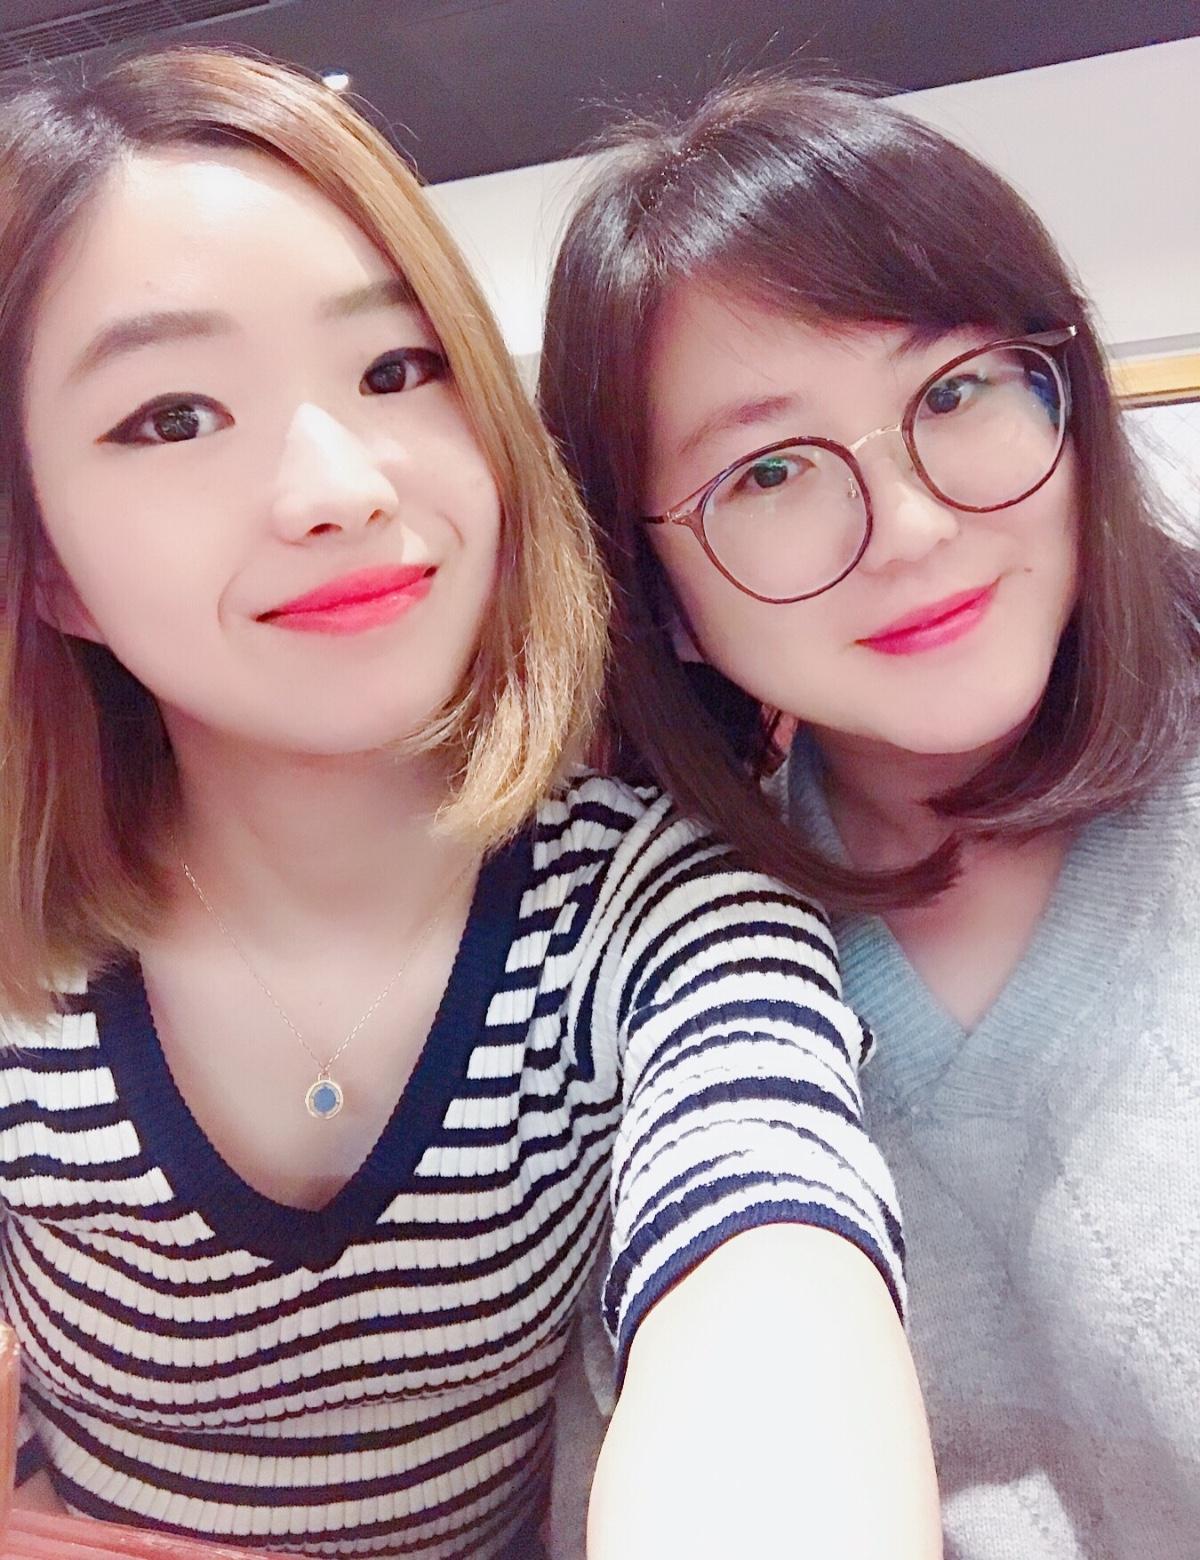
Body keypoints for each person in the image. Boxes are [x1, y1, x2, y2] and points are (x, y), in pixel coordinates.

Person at [0, 49, 937, 1560]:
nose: (339, 484)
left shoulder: (655, 905)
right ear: (44, 562)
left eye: (396, 370)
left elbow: (771, 1249)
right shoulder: (22, 944)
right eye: (171, 416)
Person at [539, 74, 1200, 1560]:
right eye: (769, 471)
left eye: (955, 392)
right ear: (659, 594)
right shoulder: (667, 961)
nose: (910, 526)